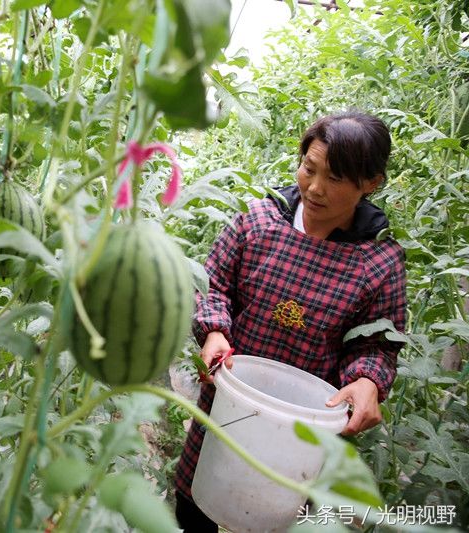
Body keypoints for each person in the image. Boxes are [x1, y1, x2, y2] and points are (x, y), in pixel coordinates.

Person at [174, 111, 407, 531]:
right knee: (195, 504)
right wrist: (213, 331)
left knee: (278, 512)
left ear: (370, 184)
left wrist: (368, 381)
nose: (314, 188)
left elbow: (378, 344)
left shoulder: (379, 262)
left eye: (334, 179)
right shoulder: (257, 221)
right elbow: (212, 284)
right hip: (231, 398)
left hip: (303, 421)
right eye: (308, 169)